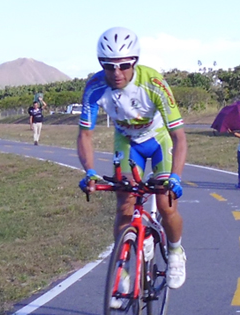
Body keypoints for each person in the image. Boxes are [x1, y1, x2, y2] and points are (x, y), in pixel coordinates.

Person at [77, 27, 187, 289]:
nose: (117, 73)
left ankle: (175, 251)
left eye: (124, 65)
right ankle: (124, 268)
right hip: (127, 142)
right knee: (124, 204)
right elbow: (85, 135)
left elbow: (180, 138)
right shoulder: (94, 87)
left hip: (158, 140)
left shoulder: (153, 83)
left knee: (165, 203)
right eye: (108, 66)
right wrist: (90, 171)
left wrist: (176, 177)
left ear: (134, 61)